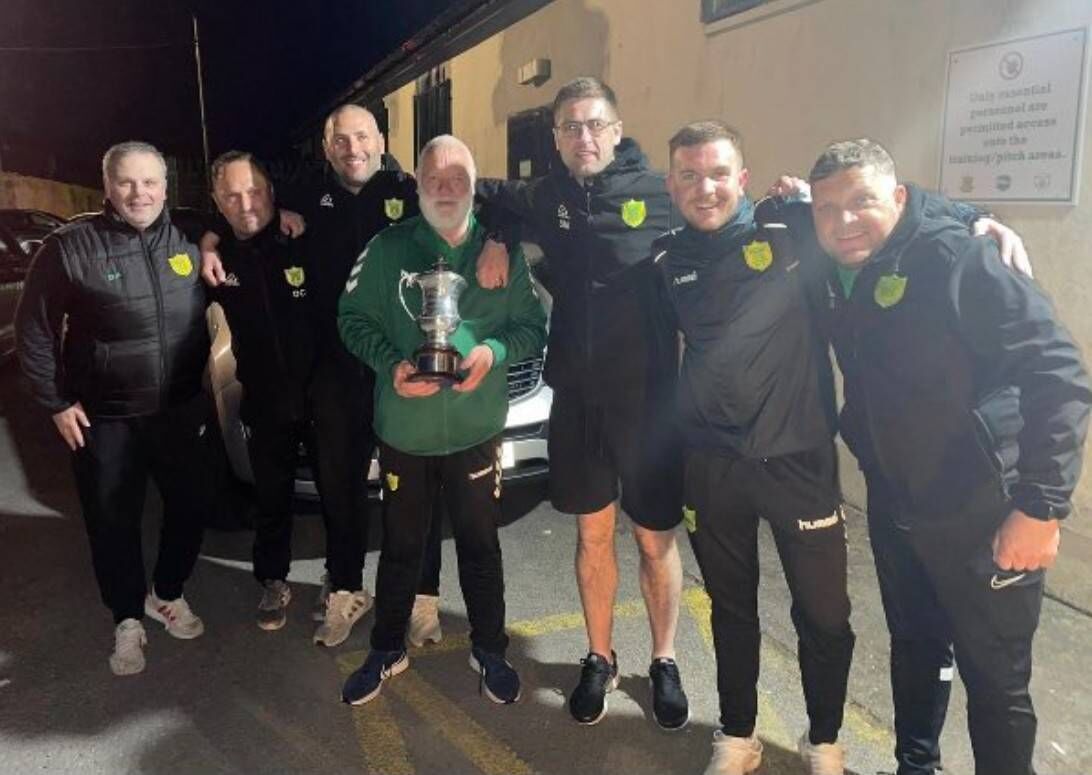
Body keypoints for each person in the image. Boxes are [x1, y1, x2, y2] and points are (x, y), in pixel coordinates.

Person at [808, 138, 1090, 775]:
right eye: (826, 208)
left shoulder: (958, 259)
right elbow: (802, 206)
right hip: (897, 500)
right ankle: (917, 766)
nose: (843, 221)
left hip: (983, 508)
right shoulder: (837, 265)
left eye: (862, 202)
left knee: (995, 680)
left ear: (900, 199)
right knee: (915, 644)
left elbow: (1060, 371)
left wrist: (1041, 509)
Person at [201, 104, 508, 648]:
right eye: (340, 140)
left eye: (362, 137)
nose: (352, 148)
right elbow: (240, 210)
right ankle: (345, 587)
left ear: (381, 138)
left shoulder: (409, 186)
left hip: (408, 366)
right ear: (326, 148)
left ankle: (422, 595)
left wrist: (498, 240)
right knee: (340, 487)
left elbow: (483, 202)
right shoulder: (302, 193)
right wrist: (206, 242)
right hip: (337, 369)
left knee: (417, 490)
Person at [476, 76, 689, 729]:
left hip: (649, 399)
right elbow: (476, 189)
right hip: (579, 399)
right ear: (557, 138)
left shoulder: (661, 191)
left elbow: (737, 209)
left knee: (654, 540)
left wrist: (972, 217)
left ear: (617, 131)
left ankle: (665, 658)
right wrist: (496, 237)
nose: (584, 137)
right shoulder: (546, 194)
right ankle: (599, 655)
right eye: (571, 127)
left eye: (595, 125)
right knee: (592, 533)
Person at [654, 121, 852, 775]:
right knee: (731, 607)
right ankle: (738, 733)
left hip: (798, 457)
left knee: (824, 614)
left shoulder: (791, 228)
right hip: (713, 466)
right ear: (671, 184)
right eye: (689, 174)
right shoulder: (667, 259)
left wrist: (976, 219)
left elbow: (881, 213)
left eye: (717, 173)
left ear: (742, 178)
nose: (704, 187)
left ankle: (823, 739)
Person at [337, 135, 546, 705]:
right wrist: (392, 364)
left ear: (474, 188)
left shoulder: (500, 251)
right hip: (406, 431)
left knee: (481, 545)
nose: (446, 188)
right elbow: (351, 320)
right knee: (402, 546)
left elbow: (533, 329)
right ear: (418, 185)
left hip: (477, 432)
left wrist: (492, 354)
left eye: (458, 179)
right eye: (434, 178)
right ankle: (386, 647)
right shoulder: (388, 249)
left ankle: (491, 648)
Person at [15, 141, 209, 675]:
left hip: (177, 409)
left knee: (191, 507)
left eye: (149, 182)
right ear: (108, 187)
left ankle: (166, 592)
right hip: (105, 419)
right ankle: (127, 617)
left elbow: (244, 238)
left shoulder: (190, 240)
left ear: (166, 187)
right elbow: (34, 328)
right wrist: (54, 401)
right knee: (112, 521)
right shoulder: (70, 246)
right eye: (126, 182)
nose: (139, 193)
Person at [207, 150, 319, 631]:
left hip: (320, 396)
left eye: (253, 190)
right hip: (265, 401)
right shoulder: (216, 260)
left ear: (271, 192)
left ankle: (343, 581)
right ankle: (273, 580)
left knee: (338, 495)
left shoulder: (303, 235)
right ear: (216, 200)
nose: (245, 203)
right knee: (271, 499)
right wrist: (206, 242)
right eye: (231, 194)